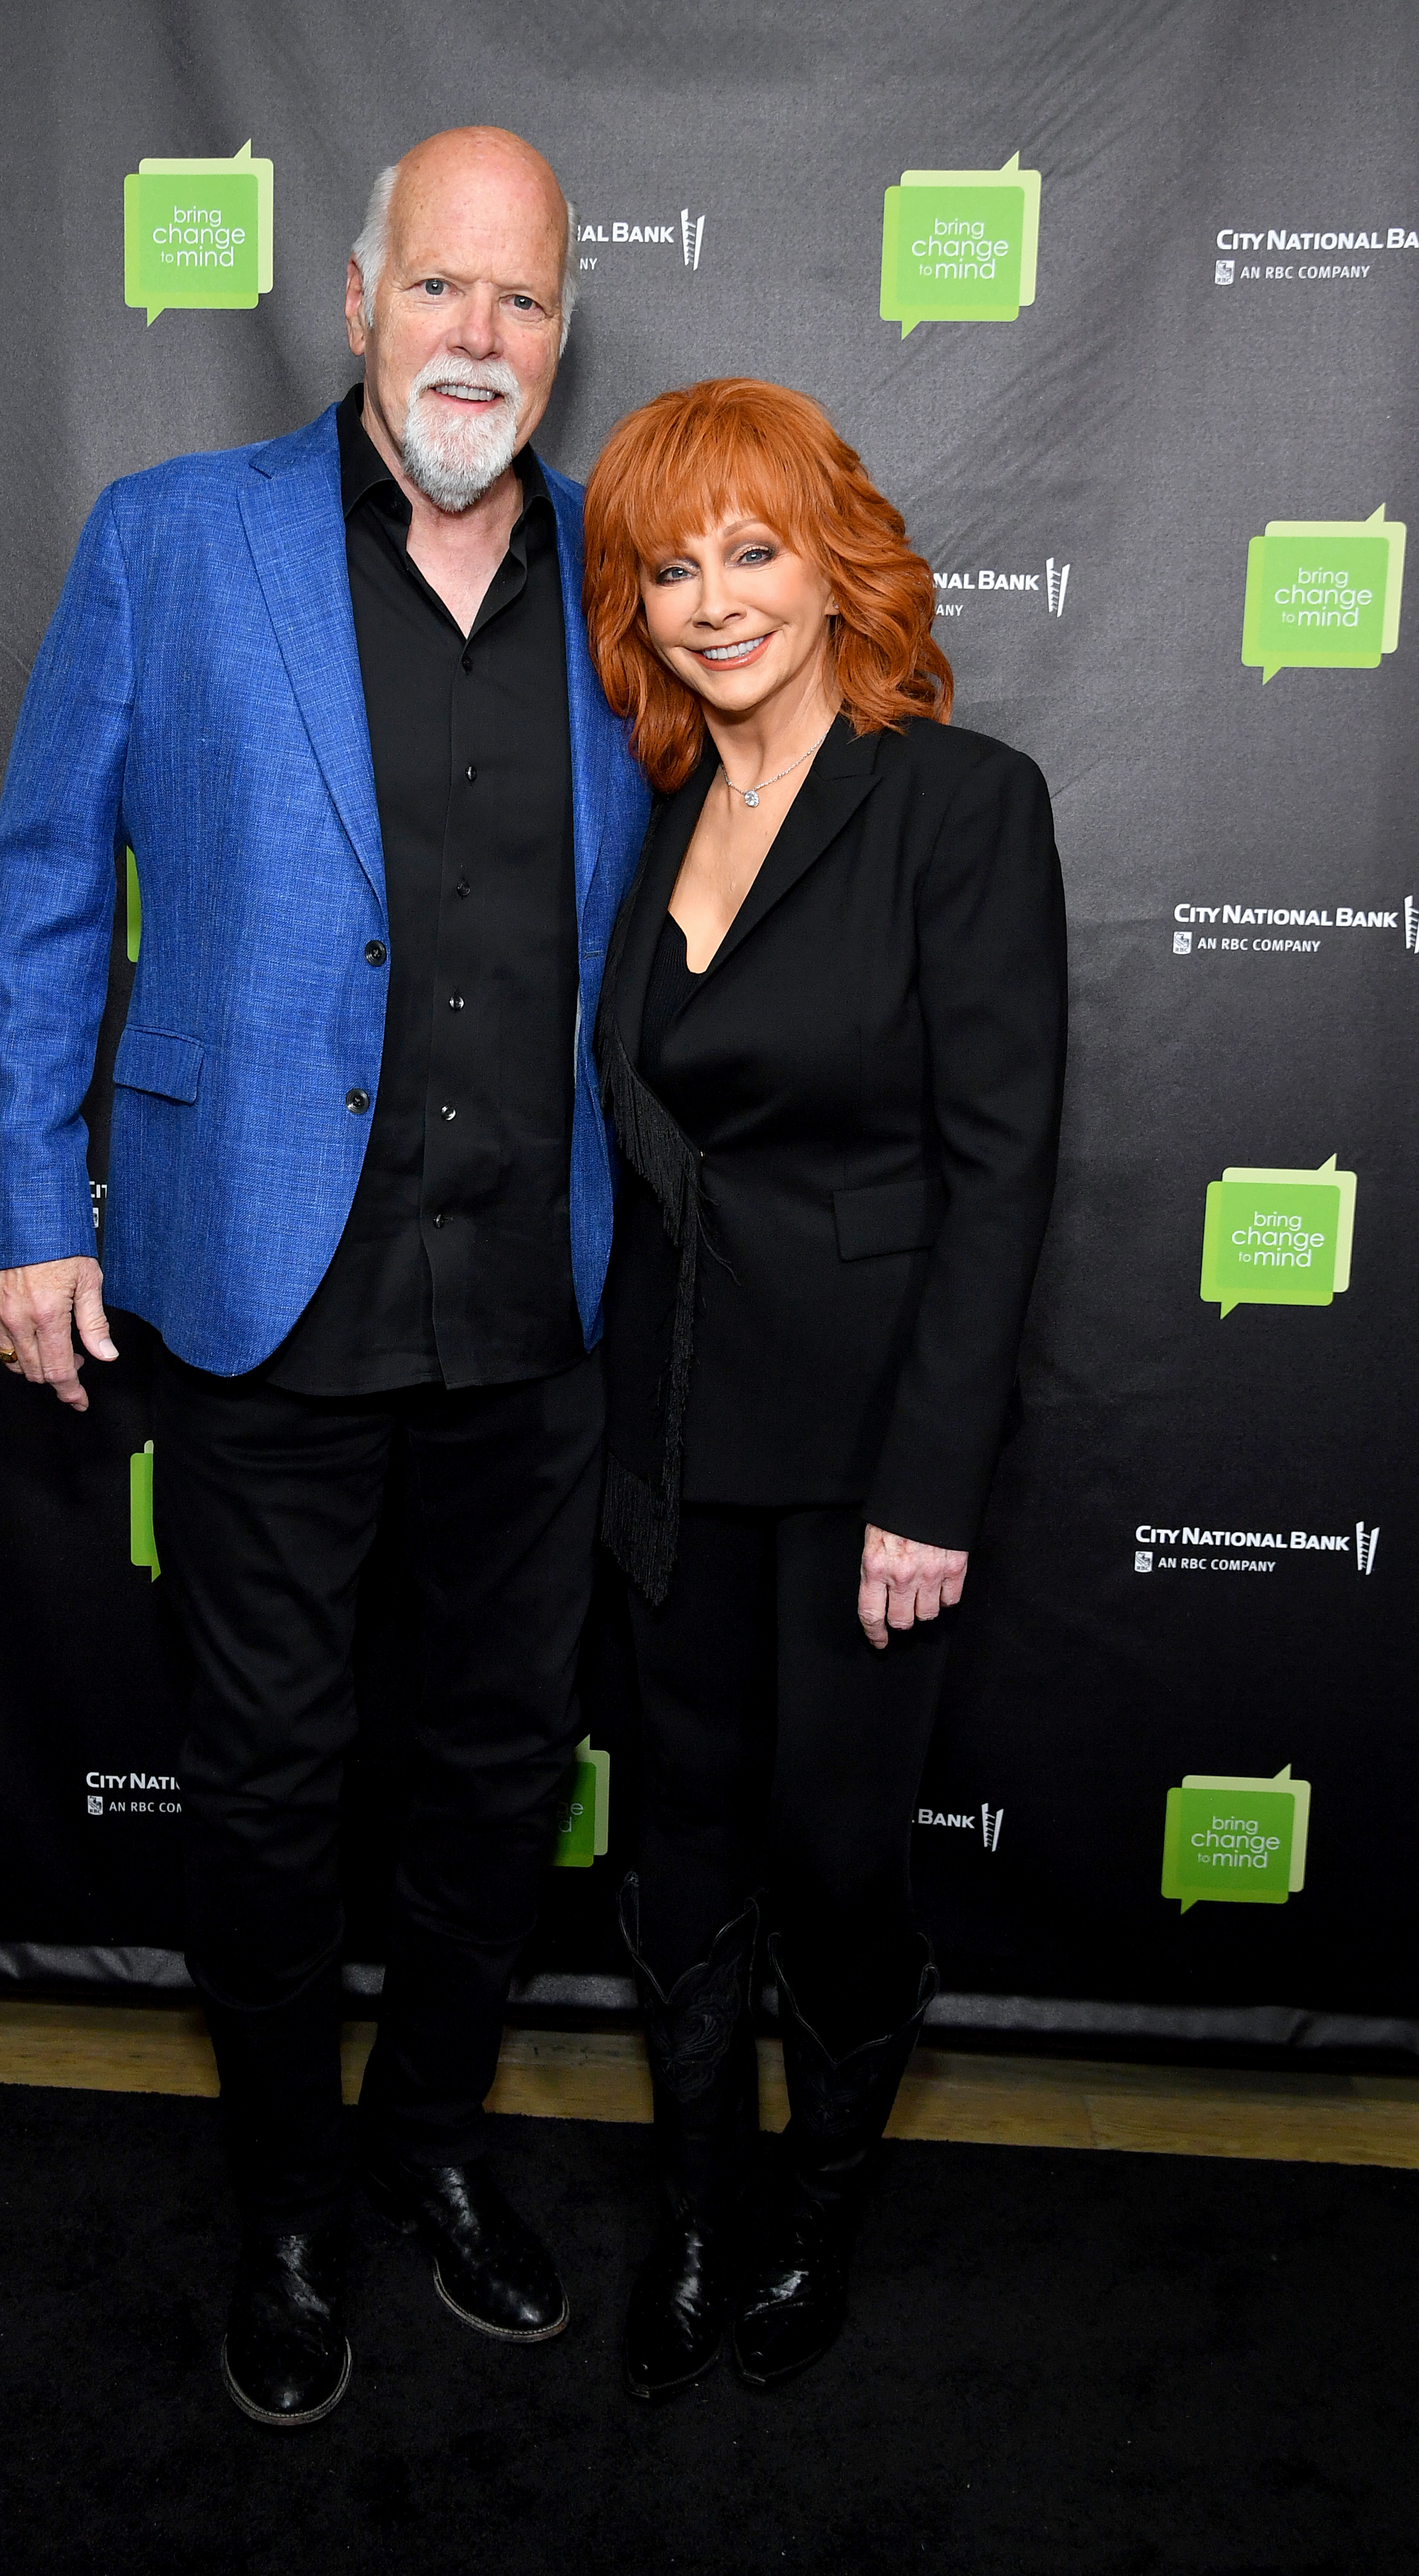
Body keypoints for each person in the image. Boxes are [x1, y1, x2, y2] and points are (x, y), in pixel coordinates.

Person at [0, 126, 649, 2430]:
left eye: (524, 303)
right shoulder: (178, 541)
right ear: (356, 301)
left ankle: (431, 2152)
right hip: (259, 1289)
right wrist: (31, 1207)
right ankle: (278, 2205)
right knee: (264, 1789)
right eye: (442, 290)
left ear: (567, 330)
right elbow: (50, 877)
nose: (481, 338)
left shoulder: (627, 582)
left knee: (489, 1780)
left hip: (539, 1311)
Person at [582, 379, 1067, 2401]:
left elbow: (1001, 1164)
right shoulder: (657, 813)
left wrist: (930, 1487)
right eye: (670, 566)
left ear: (831, 559)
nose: (712, 602)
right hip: (670, 1438)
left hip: (869, 1454)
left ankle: (813, 2224)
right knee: (678, 1840)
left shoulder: (954, 801)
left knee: (839, 1856)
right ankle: (697, 2218)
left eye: (750, 551)